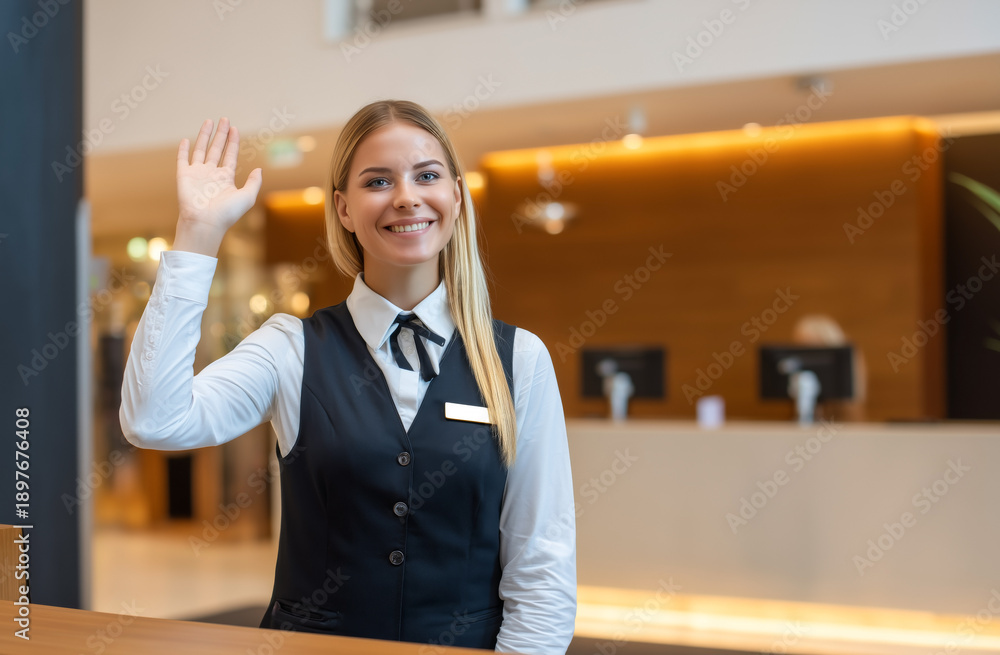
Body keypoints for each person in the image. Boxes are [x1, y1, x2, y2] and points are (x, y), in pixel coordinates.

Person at [119, 100, 577, 653]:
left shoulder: (519, 359)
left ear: (456, 194)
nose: (406, 196)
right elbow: (154, 421)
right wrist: (196, 234)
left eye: (426, 175)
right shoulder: (291, 348)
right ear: (342, 207)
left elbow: (542, 566)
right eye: (378, 181)